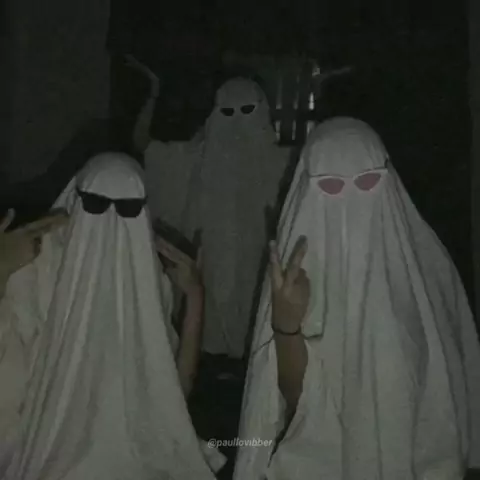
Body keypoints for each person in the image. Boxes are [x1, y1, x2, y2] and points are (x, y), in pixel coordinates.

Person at [234, 117, 480, 480]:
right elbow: (292, 401)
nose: (350, 201)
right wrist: (286, 325)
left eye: (367, 182)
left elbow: (453, 389)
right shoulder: (297, 273)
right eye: (330, 186)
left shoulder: (429, 268)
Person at [0, 152, 223, 479]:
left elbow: (168, 397)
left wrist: (194, 297)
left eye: (128, 209)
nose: (111, 221)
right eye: (96, 205)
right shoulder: (38, 272)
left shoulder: (143, 276)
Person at [128, 54, 291, 357]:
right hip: (209, 269)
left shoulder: (283, 163)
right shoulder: (196, 158)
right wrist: (153, 94)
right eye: (228, 112)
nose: (238, 123)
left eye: (247, 111)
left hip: (259, 274)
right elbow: (146, 146)